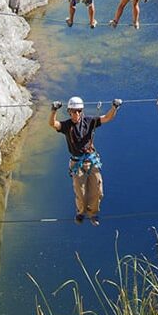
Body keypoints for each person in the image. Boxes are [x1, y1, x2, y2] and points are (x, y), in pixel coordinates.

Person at [50, 96, 121, 225]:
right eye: (73, 111)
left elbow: (107, 118)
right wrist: (53, 110)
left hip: (91, 160)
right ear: (69, 112)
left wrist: (114, 107)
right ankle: (81, 212)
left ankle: (93, 213)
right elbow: (53, 124)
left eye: (79, 111)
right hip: (77, 162)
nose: (76, 114)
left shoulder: (88, 121)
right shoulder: (67, 126)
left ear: (82, 111)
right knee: (80, 192)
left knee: (98, 190)